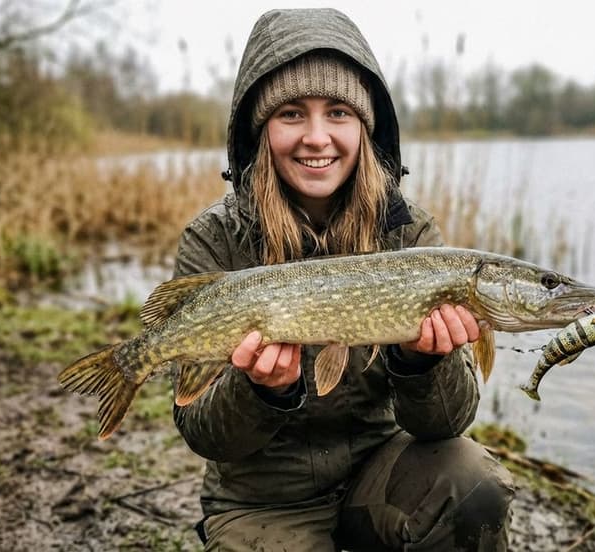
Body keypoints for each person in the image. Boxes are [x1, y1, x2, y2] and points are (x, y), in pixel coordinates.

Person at [172, 8, 515, 551]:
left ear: (364, 126)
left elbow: (446, 425)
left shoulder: (410, 233)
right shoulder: (215, 238)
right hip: (263, 499)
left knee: (473, 483)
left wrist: (423, 363)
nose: (317, 138)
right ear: (260, 130)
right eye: (291, 114)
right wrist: (262, 391)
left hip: (379, 476)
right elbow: (204, 433)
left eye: (338, 112)